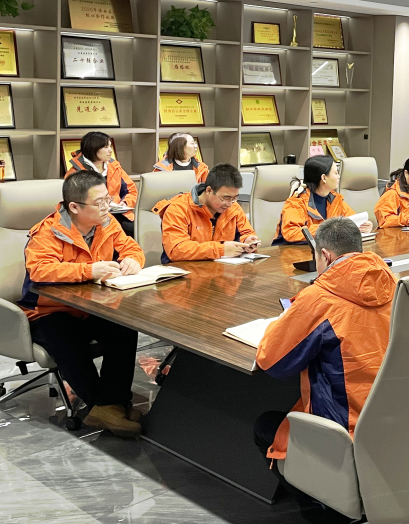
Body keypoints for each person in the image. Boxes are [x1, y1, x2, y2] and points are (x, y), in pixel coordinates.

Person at [254, 218, 396, 462]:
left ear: (325, 256)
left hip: (346, 432)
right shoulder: (394, 283)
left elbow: (271, 361)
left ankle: (314, 486)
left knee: (264, 425)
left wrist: (283, 320)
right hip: (394, 419)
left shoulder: (319, 298)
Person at [19, 170, 146, 437]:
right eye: (99, 202)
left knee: (124, 327)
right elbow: (40, 270)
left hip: (89, 306)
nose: (107, 206)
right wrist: (89, 270)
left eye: (107, 199)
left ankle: (111, 405)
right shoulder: (49, 232)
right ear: (75, 207)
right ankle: (106, 406)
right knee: (65, 336)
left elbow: (131, 247)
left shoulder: (107, 223)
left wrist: (134, 260)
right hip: (47, 310)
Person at [159, 163, 259, 261]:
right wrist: (221, 250)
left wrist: (247, 241)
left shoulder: (234, 208)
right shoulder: (178, 209)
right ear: (209, 191)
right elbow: (176, 250)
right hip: (184, 269)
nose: (229, 203)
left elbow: (246, 233)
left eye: (235, 197)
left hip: (222, 268)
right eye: (226, 198)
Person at [274, 155, 372, 244]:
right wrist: (328, 229)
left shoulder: (335, 199)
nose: (338, 177)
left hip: (326, 250)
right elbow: (291, 232)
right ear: (324, 178)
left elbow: (352, 221)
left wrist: (363, 226)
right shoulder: (296, 202)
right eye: (336, 173)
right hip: (296, 253)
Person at [64, 131, 137, 237]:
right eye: (106, 147)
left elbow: (131, 190)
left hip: (118, 214)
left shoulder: (115, 167)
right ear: (93, 148)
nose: (110, 150)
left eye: (110, 146)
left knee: (134, 230)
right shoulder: (75, 173)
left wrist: (125, 203)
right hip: (91, 218)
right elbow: (72, 203)